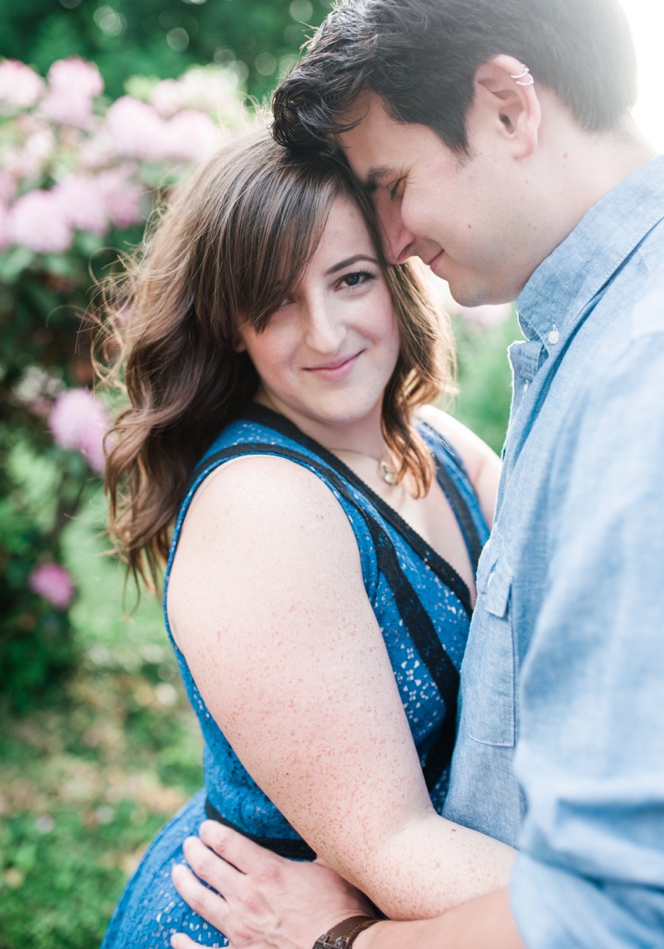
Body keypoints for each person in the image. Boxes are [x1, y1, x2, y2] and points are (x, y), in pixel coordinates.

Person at [168, 0, 664, 948]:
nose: (399, 238)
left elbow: (624, 909)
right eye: (274, 299)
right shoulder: (578, 350)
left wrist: (347, 941)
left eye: (389, 198)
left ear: (507, 107)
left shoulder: (630, 371)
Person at [97, 130, 519, 949]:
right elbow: (394, 845)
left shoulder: (445, 448)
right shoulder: (263, 505)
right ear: (230, 324)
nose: (325, 333)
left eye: (351, 278)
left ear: (399, 278)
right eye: (276, 300)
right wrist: (627, 900)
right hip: (277, 924)